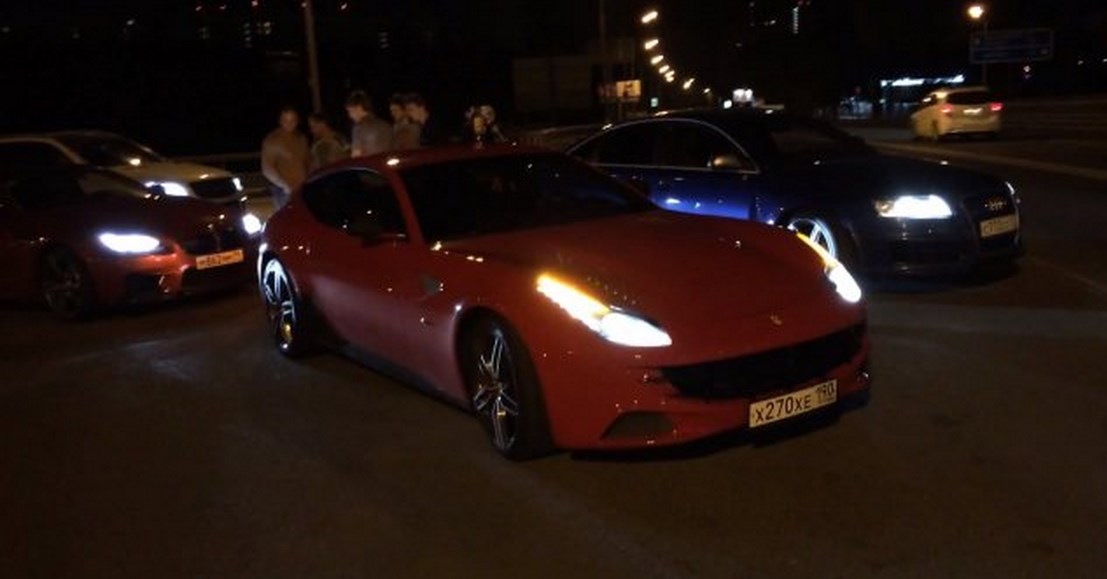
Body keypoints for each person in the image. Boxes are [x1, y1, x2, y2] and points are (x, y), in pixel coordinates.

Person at [260, 105, 310, 210]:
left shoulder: (301, 138)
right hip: (284, 192)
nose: (289, 123)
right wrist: (285, 185)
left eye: (292, 120)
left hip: (302, 189)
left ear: (297, 121)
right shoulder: (273, 140)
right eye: (285, 120)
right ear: (280, 121)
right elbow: (267, 169)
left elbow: (307, 161)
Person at [345, 89, 393, 157]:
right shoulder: (386, 126)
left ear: (358, 108)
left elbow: (356, 156)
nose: (350, 116)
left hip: (368, 163)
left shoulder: (359, 128)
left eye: (350, 111)